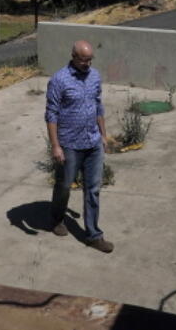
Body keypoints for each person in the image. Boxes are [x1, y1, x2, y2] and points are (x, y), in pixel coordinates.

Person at [45, 39, 114, 252]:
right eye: (84, 60)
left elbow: (98, 106)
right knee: (64, 185)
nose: (87, 64)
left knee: (93, 189)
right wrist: (56, 146)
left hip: (92, 142)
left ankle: (93, 235)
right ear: (73, 57)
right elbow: (51, 114)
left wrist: (104, 135)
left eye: (90, 60)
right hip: (69, 145)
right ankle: (57, 219)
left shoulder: (95, 76)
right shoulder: (59, 80)